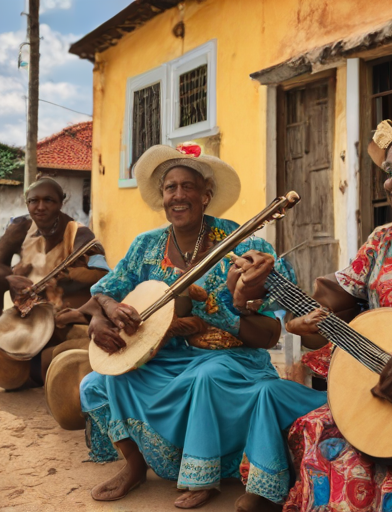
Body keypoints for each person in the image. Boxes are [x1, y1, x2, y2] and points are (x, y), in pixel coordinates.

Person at [232, 94, 392, 511]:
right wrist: (278, 297)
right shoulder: (381, 241)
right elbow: (330, 305)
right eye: (390, 170)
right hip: (385, 386)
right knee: (324, 439)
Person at [79, 144, 326, 511]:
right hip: (166, 358)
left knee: (206, 376)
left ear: (206, 196)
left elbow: (278, 314)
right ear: (162, 198)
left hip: (232, 359)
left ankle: (203, 476)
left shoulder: (242, 241)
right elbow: (100, 295)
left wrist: (251, 286)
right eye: (170, 188)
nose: (178, 195)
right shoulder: (145, 246)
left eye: (188, 187)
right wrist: (103, 317)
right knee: (96, 383)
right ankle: (134, 467)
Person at [0, 177, 109, 388]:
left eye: (49, 200)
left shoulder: (78, 233)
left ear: (61, 202)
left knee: (40, 372)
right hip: (29, 311)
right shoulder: (19, 227)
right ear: (27, 203)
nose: (40, 207)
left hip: (64, 315)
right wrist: (9, 278)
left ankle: (49, 361)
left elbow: (104, 273)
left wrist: (76, 272)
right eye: (34, 201)